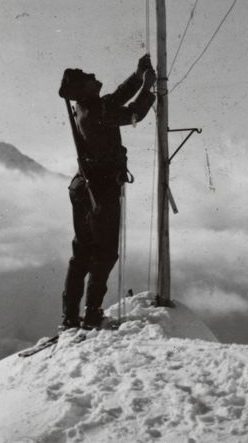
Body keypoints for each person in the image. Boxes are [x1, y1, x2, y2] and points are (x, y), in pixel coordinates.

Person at [58, 54, 156, 330]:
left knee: (81, 254)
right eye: (88, 79)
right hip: (100, 191)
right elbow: (133, 113)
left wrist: (137, 76)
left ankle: (70, 316)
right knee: (104, 253)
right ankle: (92, 313)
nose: (94, 77)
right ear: (83, 89)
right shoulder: (96, 113)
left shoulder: (88, 108)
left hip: (84, 187)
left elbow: (117, 98)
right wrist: (147, 88)